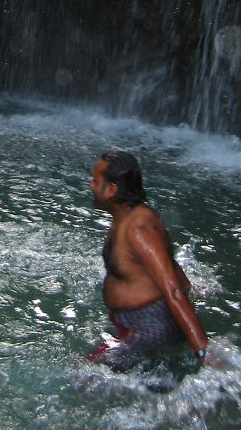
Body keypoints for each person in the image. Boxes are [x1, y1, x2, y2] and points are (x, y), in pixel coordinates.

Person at [87, 148, 209, 371]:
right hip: (137, 322)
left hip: (147, 327)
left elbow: (172, 292)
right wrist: (192, 287)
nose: (90, 185)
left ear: (112, 190)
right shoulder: (125, 216)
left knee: (85, 375)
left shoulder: (139, 229)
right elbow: (168, 265)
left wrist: (203, 351)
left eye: (95, 180)